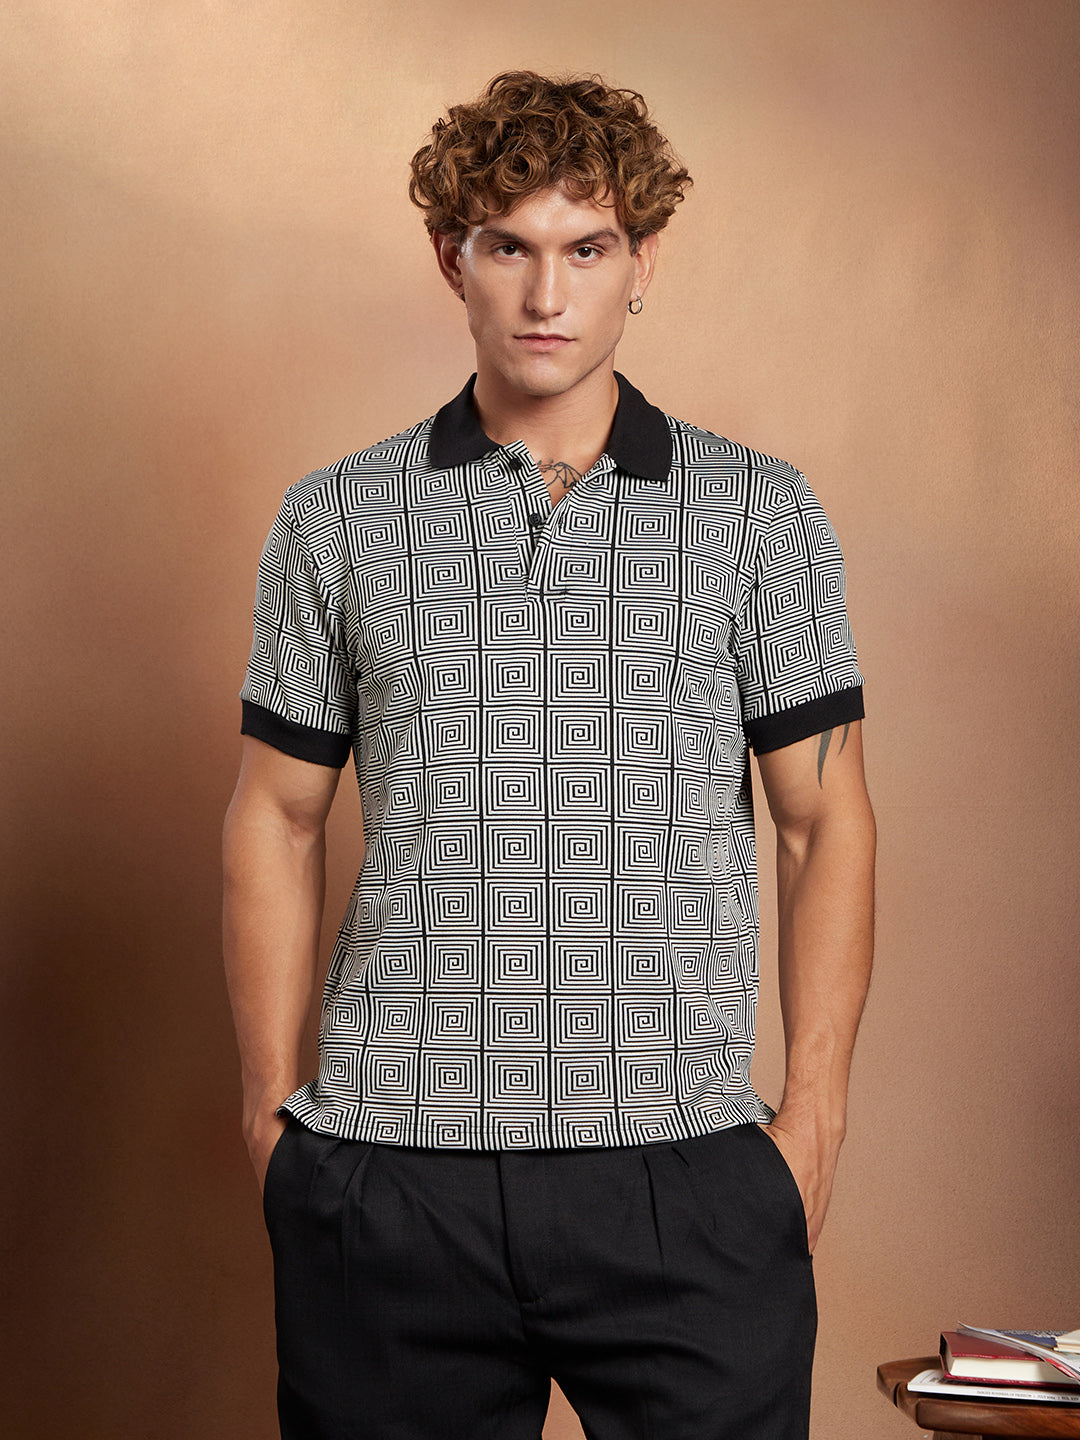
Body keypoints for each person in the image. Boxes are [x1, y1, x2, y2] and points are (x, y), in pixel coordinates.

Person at [223, 69, 875, 1440]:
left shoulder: (759, 515)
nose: (545, 294)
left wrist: (811, 1121)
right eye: (507, 246)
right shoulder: (335, 519)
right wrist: (270, 1120)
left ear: (645, 262)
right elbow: (277, 816)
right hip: (392, 1170)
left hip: (682, 1167)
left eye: (587, 249)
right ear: (448, 257)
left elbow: (823, 820)